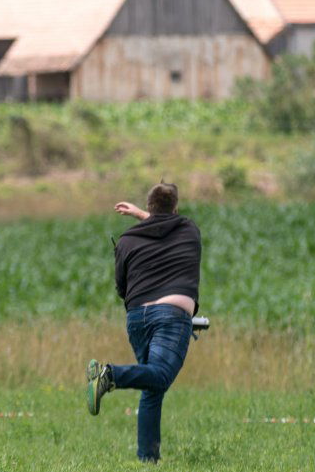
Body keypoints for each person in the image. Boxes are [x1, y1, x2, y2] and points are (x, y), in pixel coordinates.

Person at [87, 181, 202, 464]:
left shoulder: (126, 241)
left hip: (137, 318)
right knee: (160, 375)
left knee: (152, 384)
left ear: (149, 206)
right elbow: (164, 223)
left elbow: (121, 287)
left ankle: (148, 460)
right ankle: (110, 375)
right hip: (171, 317)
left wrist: (140, 215)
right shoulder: (188, 230)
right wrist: (144, 215)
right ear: (176, 207)